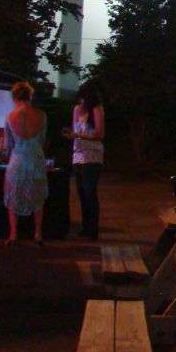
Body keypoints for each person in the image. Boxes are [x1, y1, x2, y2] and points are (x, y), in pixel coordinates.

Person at [3, 81, 48, 245]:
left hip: (18, 160)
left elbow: (8, 145)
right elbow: (42, 141)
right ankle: (37, 234)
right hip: (35, 159)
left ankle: (13, 234)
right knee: (37, 197)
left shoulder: (10, 116)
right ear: (30, 96)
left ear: (15, 97)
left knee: (13, 197)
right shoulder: (41, 116)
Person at [63, 80, 105, 240]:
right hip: (78, 154)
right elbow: (75, 130)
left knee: (90, 192)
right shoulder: (77, 110)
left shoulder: (96, 110)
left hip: (92, 155)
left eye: (83, 98)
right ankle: (85, 227)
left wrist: (79, 135)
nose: (81, 101)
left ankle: (92, 229)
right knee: (81, 192)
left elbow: (100, 135)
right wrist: (71, 135)